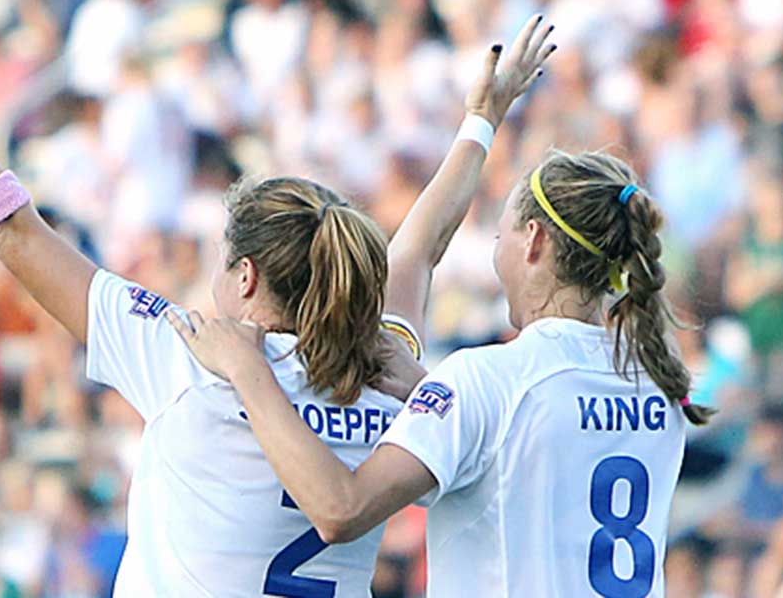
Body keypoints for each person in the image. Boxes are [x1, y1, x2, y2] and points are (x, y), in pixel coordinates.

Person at [0, 0, 549, 594]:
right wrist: (482, 119)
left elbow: (9, 230)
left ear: (248, 278)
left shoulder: (189, 357)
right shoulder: (383, 375)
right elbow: (418, 249)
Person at [172, 147, 715, 596]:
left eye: (501, 235)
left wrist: (249, 372)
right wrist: (428, 393)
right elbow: (531, 462)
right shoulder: (659, 386)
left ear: (534, 240)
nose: (497, 250)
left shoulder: (490, 379)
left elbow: (342, 509)